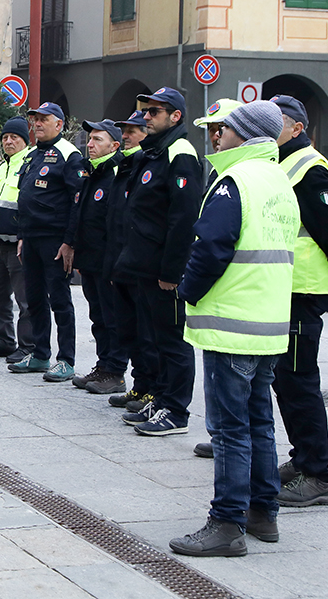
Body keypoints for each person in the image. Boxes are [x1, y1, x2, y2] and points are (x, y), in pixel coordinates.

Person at [171, 100, 297, 557]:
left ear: (244, 135)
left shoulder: (235, 180)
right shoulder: (278, 180)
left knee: (229, 429)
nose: (217, 135)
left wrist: (186, 290)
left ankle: (227, 523)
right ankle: (263, 513)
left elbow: (212, 247)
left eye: (225, 129)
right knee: (260, 421)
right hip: (267, 322)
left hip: (232, 323)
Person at [270, 94, 328, 507]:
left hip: (303, 289)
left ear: (297, 128)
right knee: (286, 381)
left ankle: (318, 475)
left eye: (277, 121)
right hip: (286, 287)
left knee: (299, 381)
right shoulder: (283, 163)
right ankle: (302, 457)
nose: (270, 128)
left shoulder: (309, 169)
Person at [117, 87, 202, 436]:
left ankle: (176, 411)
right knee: (154, 338)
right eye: (146, 111)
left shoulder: (180, 153)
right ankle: (163, 399)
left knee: (172, 340)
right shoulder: (155, 151)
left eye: (154, 112)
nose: (146, 117)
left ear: (175, 117)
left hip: (162, 269)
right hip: (144, 263)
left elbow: (183, 219)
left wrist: (172, 271)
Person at [8, 102, 82, 381]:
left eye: (43, 119)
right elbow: (26, 198)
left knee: (60, 300)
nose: (37, 124)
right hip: (32, 238)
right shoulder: (33, 155)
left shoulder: (69, 155)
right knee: (34, 298)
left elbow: (77, 203)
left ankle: (66, 360)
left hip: (55, 240)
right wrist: (22, 236)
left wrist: (69, 242)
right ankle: (40, 354)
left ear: (59, 124)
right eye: (35, 120)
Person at [105, 110, 158, 409]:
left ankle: (152, 388)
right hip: (120, 261)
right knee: (129, 330)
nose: (125, 136)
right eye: (123, 130)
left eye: (131, 131)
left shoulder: (147, 164)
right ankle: (140, 385)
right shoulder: (126, 166)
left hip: (141, 263)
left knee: (148, 333)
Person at [71, 120, 127, 395]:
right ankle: (103, 365)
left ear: (115, 145)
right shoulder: (91, 172)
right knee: (98, 318)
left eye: (97, 140)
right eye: (89, 139)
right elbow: (81, 215)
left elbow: (117, 223)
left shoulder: (116, 173)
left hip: (109, 262)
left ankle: (116, 371)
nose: (90, 144)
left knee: (113, 317)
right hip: (90, 260)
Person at [0, 116, 34, 360]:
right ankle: (4, 340)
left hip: (18, 243)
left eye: (14, 137)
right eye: (5, 138)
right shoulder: (3, 165)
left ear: (25, 140)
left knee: (25, 300)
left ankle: (28, 346)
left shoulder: (30, 164)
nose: (8, 142)